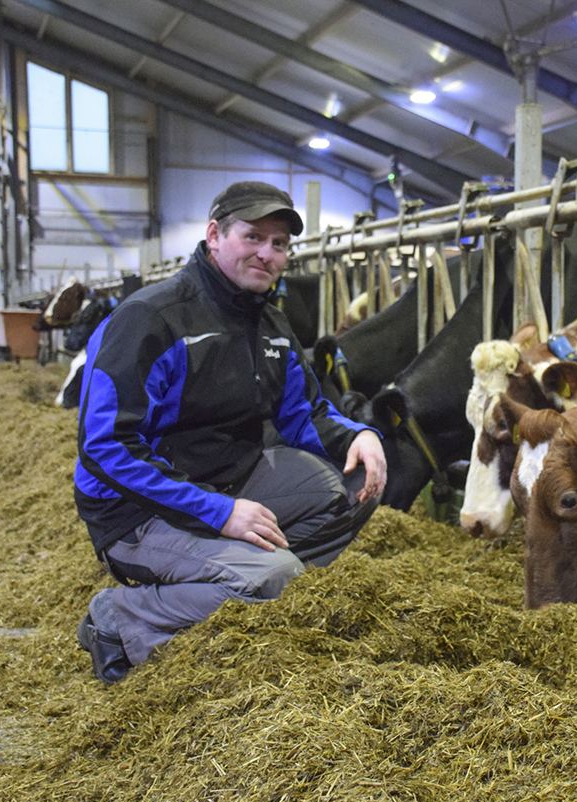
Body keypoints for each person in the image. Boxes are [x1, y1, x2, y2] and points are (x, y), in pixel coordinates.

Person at [73, 181, 386, 684]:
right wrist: (220, 513)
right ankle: (121, 618)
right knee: (273, 576)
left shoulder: (270, 325)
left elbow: (302, 414)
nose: (267, 253)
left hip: (230, 482)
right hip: (135, 510)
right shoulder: (151, 319)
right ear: (215, 235)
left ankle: (240, 591)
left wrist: (357, 437)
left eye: (280, 244)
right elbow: (105, 448)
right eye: (254, 236)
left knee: (356, 486)